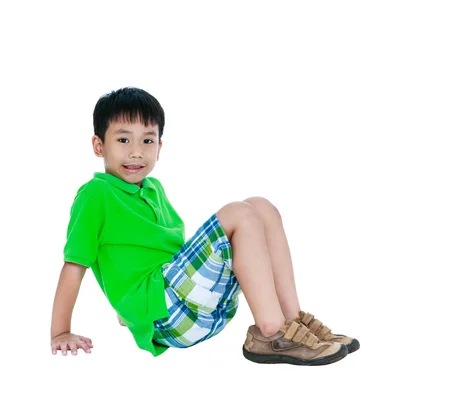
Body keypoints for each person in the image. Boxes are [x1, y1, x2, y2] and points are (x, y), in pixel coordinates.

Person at [50, 87, 359, 366]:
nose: (136, 151)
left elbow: (158, 255)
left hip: (194, 309)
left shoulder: (153, 188)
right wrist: (61, 331)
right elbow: (75, 265)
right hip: (168, 315)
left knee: (260, 206)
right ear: (98, 145)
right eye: (123, 139)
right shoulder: (96, 194)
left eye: (147, 140)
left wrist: (124, 311)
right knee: (239, 213)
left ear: (159, 146)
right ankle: (272, 331)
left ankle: (294, 321)